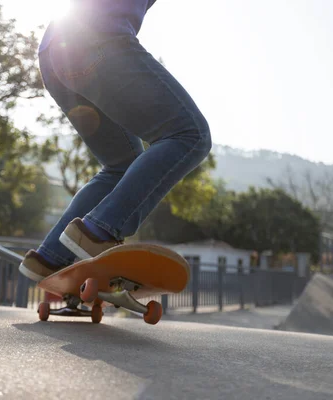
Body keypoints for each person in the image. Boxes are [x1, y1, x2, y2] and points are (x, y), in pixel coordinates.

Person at [19, 0, 212, 281]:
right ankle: (101, 231)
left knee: (120, 165)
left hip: (54, 54)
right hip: (97, 39)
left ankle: (51, 257)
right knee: (190, 133)